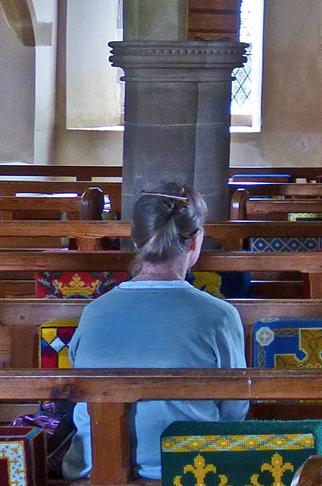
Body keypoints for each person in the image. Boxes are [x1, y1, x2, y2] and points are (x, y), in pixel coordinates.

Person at [64, 183, 248, 480]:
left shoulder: (93, 312)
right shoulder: (220, 316)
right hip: (189, 471)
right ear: (194, 242)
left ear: (135, 241)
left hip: (95, 468)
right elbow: (234, 410)